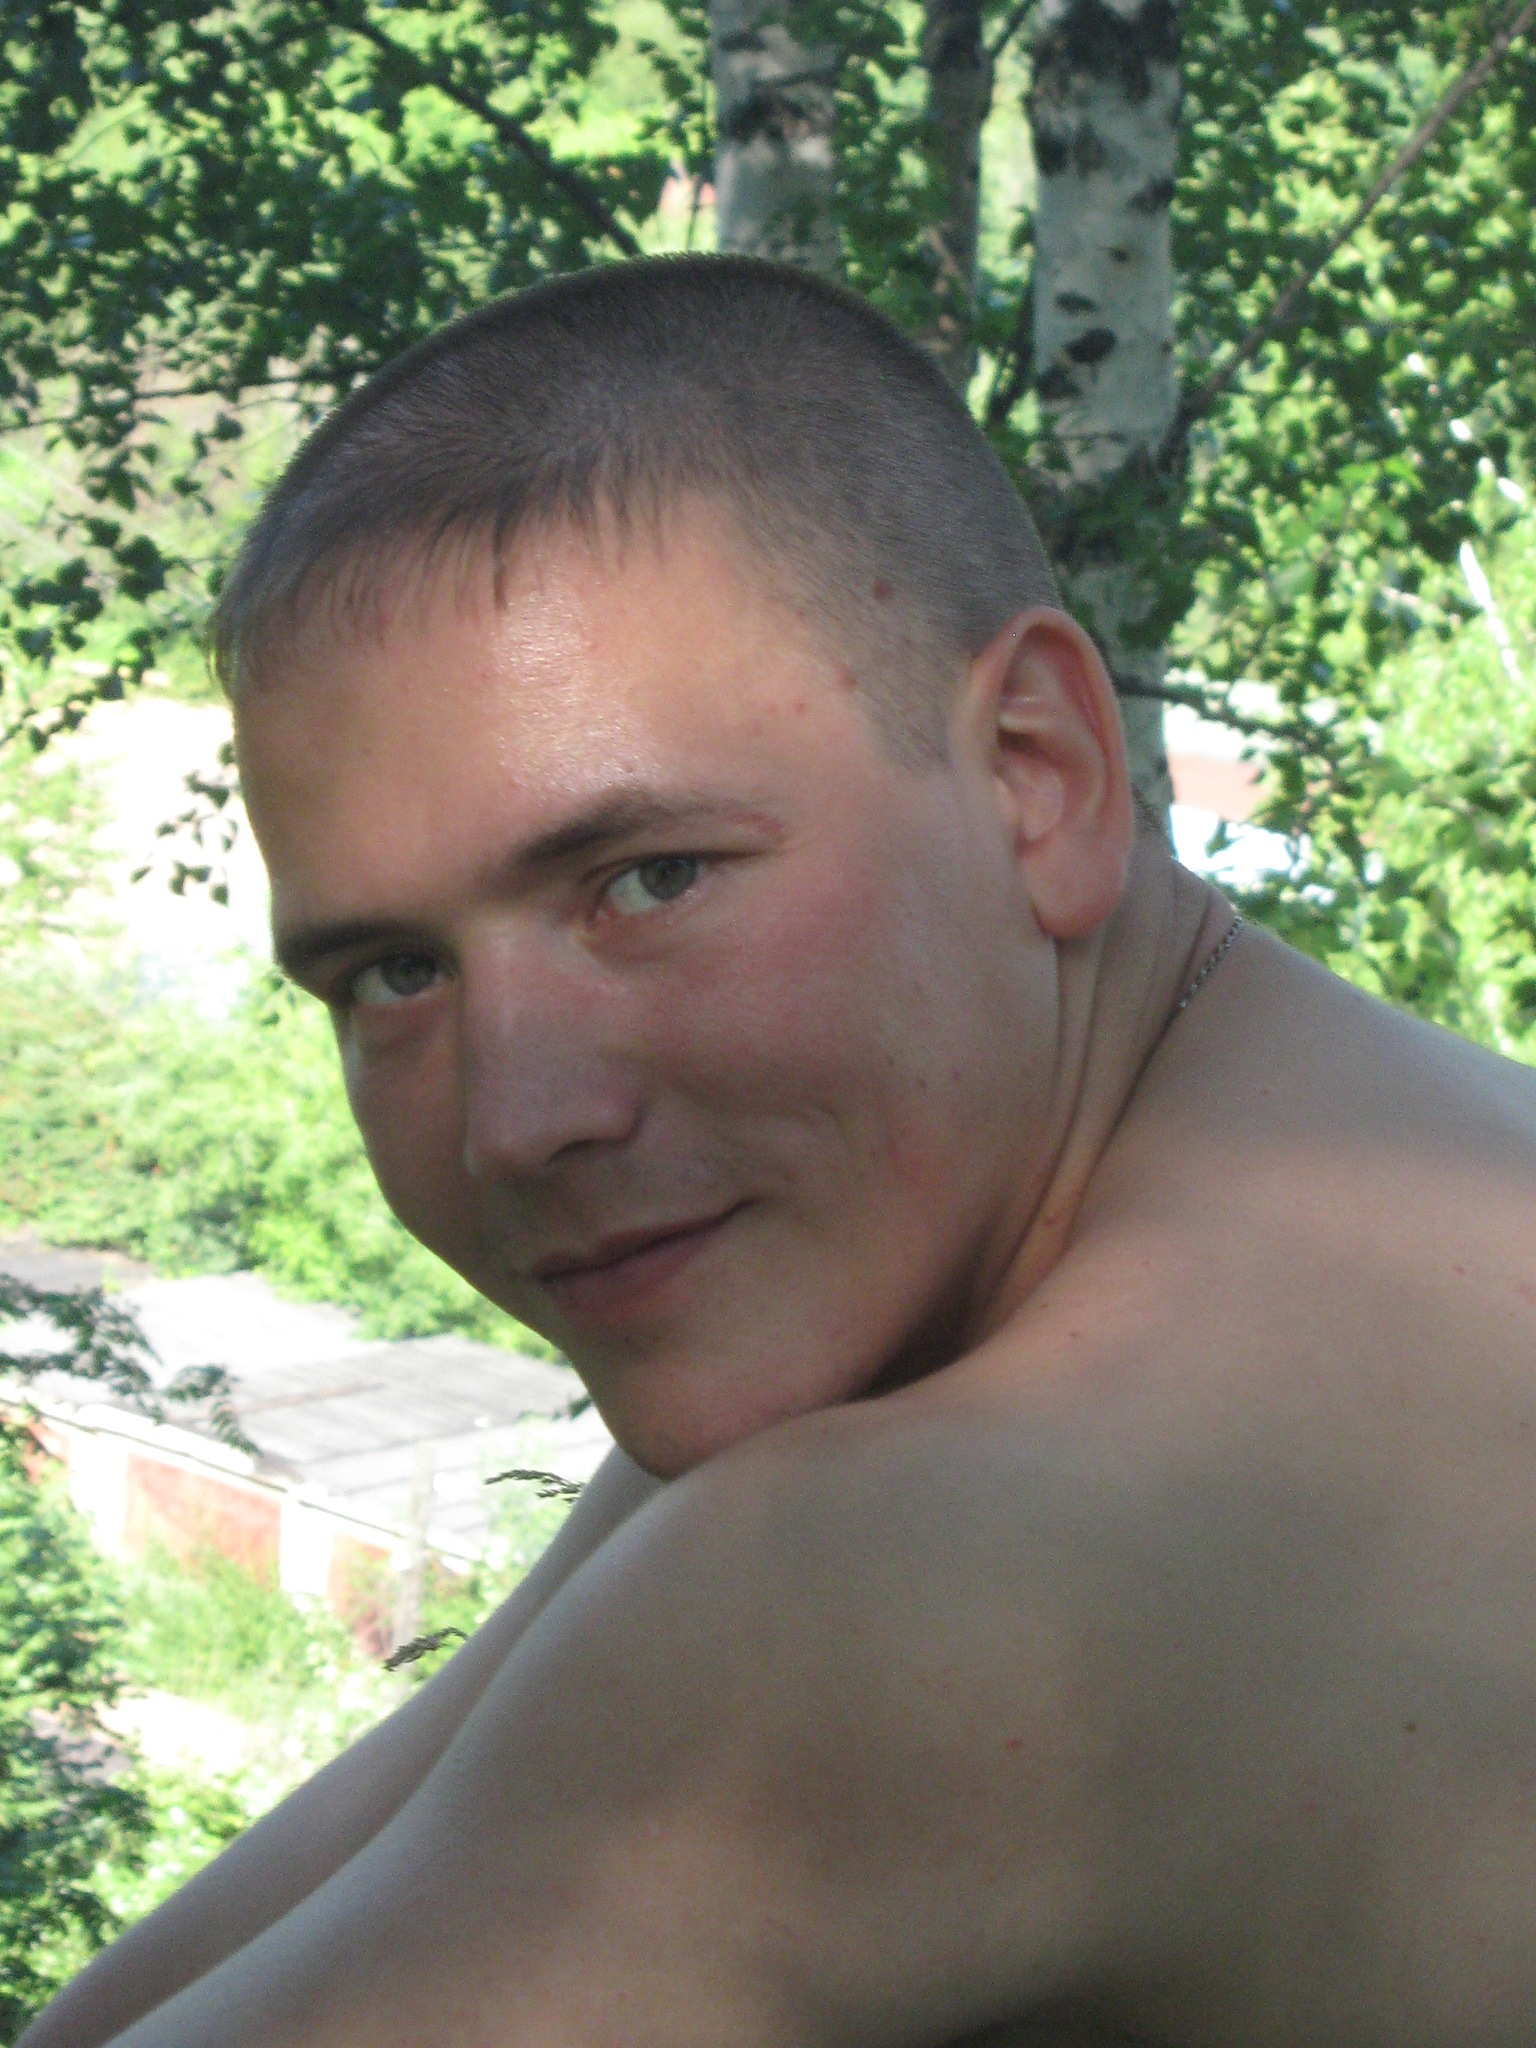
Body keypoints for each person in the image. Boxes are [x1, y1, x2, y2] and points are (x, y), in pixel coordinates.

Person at [23, 254, 1536, 2048]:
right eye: (392, 976)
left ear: (1038, 774)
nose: (521, 1119)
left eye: (649, 880)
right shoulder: (1368, 1171)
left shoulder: (923, 1578)